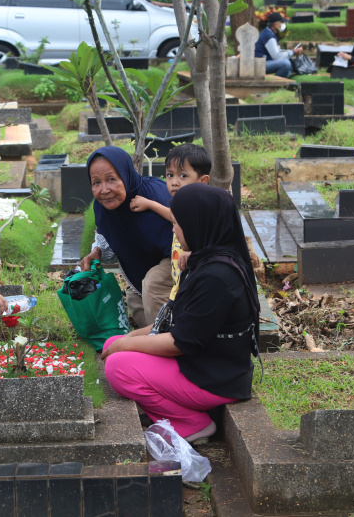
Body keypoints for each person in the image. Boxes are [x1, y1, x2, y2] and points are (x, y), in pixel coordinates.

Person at [101, 184, 260, 444]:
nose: (173, 230)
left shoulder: (217, 278)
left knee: (118, 366)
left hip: (214, 377)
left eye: (177, 223)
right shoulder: (205, 259)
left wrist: (125, 343)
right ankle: (180, 410)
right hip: (201, 361)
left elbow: (180, 341)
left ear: (198, 225)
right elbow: (172, 318)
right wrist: (125, 340)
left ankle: (192, 423)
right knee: (113, 345)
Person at [80, 146, 174, 330]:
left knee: (153, 285)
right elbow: (108, 234)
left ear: (126, 174)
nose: (104, 190)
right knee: (136, 302)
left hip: (183, 255)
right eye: (96, 182)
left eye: (111, 179)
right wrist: (96, 251)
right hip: (145, 265)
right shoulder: (103, 207)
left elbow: (190, 230)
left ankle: (170, 343)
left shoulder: (155, 196)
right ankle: (158, 338)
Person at [129, 144, 211, 302]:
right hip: (179, 270)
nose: (174, 182)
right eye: (169, 175)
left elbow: (175, 217)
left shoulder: (200, 205)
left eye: (183, 176)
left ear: (203, 180)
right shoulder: (181, 202)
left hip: (195, 272)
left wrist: (149, 204)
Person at [255, 12, 303, 79]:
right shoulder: (268, 36)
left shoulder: (270, 33)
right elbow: (277, 56)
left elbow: (277, 51)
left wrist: (290, 51)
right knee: (286, 64)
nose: (283, 24)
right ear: (275, 24)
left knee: (289, 67)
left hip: (264, 62)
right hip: (260, 64)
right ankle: (274, 85)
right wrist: (293, 52)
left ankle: (283, 85)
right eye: (282, 22)